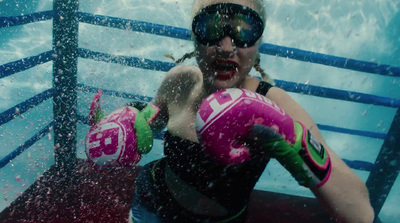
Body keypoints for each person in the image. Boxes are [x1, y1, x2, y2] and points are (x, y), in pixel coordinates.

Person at [100, 0, 373, 222]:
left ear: (258, 43)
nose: (227, 47)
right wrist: (124, 124)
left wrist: (297, 143)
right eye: (211, 27)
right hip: (150, 203)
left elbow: (360, 211)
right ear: (194, 37)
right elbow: (150, 120)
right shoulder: (180, 79)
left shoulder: (273, 101)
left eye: (244, 31)